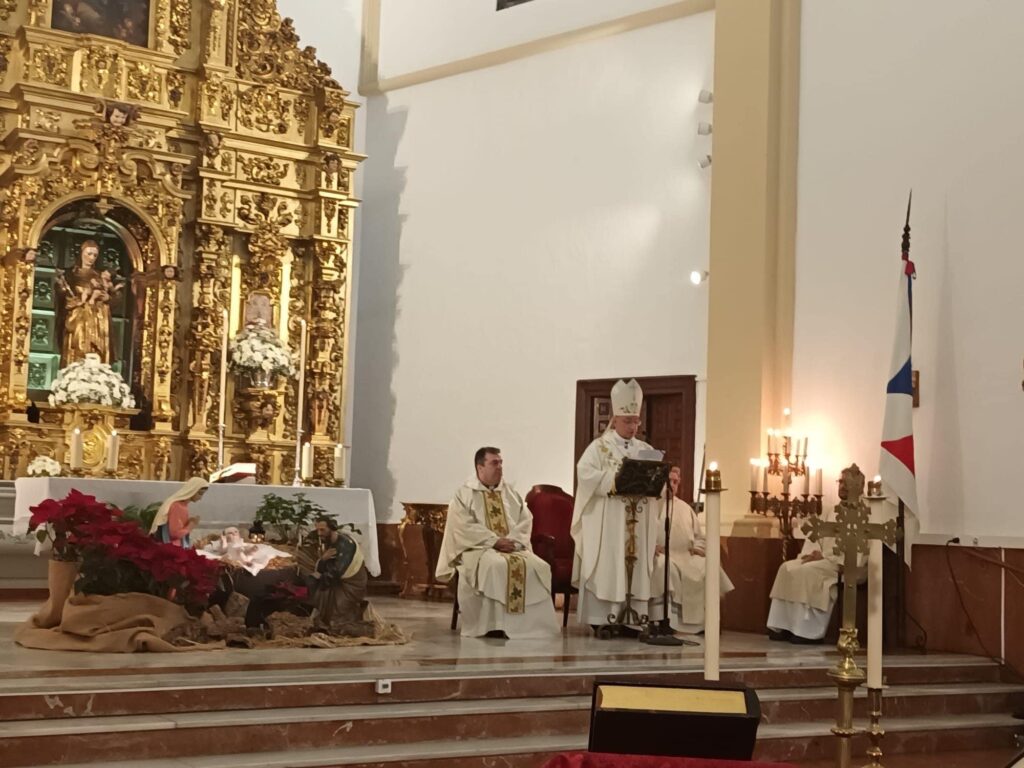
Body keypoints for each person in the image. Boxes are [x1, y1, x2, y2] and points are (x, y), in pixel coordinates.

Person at [571, 379, 664, 633]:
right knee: (611, 565)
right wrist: (615, 480)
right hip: (609, 520)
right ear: (615, 419)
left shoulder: (645, 449)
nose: (633, 426)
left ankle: (634, 620)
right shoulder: (599, 448)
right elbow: (585, 474)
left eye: (636, 421)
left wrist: (661, 482)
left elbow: (658, 485)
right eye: (628, 421)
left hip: (639, 517)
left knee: (634, 565)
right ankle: (605, 619)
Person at [436, 447, 558, 639]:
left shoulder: (510, 492)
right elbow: (462, 527)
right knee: (495, 566)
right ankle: (493, 624)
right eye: (494, 463)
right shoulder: (464, 494)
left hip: (512, 547)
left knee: (539, 566)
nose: (500, 467)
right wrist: (494, 541)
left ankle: (533, 627)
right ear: (480, 468)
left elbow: (526, 520)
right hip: (478, 548)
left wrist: (513, 541)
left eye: (501, 463)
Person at [766, 465, 865, 643]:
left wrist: (826, 557)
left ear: (858, 487)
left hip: (839, 564)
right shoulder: (831, 511)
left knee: (806, 572)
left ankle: (807, 630)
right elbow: (816, 536)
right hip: (822, 559)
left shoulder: (864, 513)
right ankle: (783, 625)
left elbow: (859, 548)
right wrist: (812, 553)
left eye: (847, 483)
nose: (842, 486)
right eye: (840, 482)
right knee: (787, 568)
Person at [650, 466, 735, 633]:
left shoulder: (685, 508)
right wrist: (651, 546)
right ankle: (663, 620)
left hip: (686, 555)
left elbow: (700, 537)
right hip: (663, 555)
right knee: (663, 567)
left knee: (709, 566)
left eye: (675, 482)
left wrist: (697, 548)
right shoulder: (651, 505)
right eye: (668, 482)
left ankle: (706, 621)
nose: (672, 486)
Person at [57, 240, 122, 365]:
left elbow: (116, 296)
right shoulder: (70, 274)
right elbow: (62, 296)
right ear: (81, 253)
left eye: (95, 255)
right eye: (89, 254)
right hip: (78, 315)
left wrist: (108, 298)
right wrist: (72, 297)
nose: (91, 258)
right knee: (78, 343)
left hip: (99, 318)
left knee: (97, 348)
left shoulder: (101, 275)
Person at [306, 516, 370, 634]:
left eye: (323, 530)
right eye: (318, 530)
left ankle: (358, 625)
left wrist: (319, 575)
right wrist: (322, 561)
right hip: (336, 581)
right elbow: (325, 567)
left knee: (336, 619)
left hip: (351, 584)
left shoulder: (346, 544)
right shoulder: (330, 542)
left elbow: (337, 571)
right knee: (317, 592)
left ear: (333, 528)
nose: (319, 534)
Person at [149, 477, 208, 548]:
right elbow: (174, 534)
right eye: (200, 494)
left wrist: (188, 522)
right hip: (172, 548)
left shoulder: (182, 505)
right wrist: (190, 526)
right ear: (192, 490)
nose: (200, 498)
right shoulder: (177, 506)